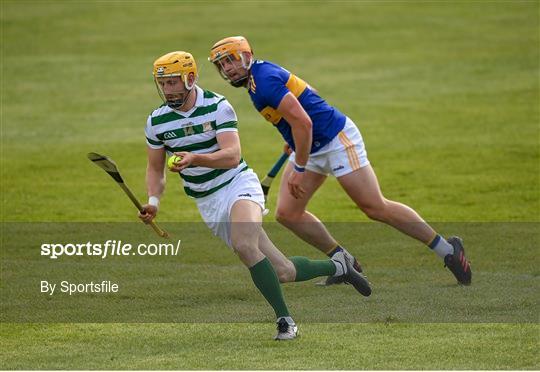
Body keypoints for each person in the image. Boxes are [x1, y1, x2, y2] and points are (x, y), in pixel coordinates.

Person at [138, 51, 371, 341]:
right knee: (283, 271)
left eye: (174, 82)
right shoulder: (157, 121)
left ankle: (286, 322)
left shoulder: (217, 107)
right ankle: (339, 266)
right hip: (207, 201)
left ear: (191, 78)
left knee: (244, 245)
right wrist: (153, 202)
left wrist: (195, 158)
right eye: (164, 84)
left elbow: (232, 156)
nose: (168, 90)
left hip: (238, 184)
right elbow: (155, 169)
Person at [208, 36, 472, 286]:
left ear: (247, 55)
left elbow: (304, 120)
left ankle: (447, 250)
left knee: (374, 207)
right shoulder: (258, 78)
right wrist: (294, 136)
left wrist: (299, 164)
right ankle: (344, 262)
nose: (228, 69)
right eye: (222, 65)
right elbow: (309, 92)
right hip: (309, 144)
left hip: (336, 140)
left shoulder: (263, 81)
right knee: (289, 214)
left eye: (231, 60)